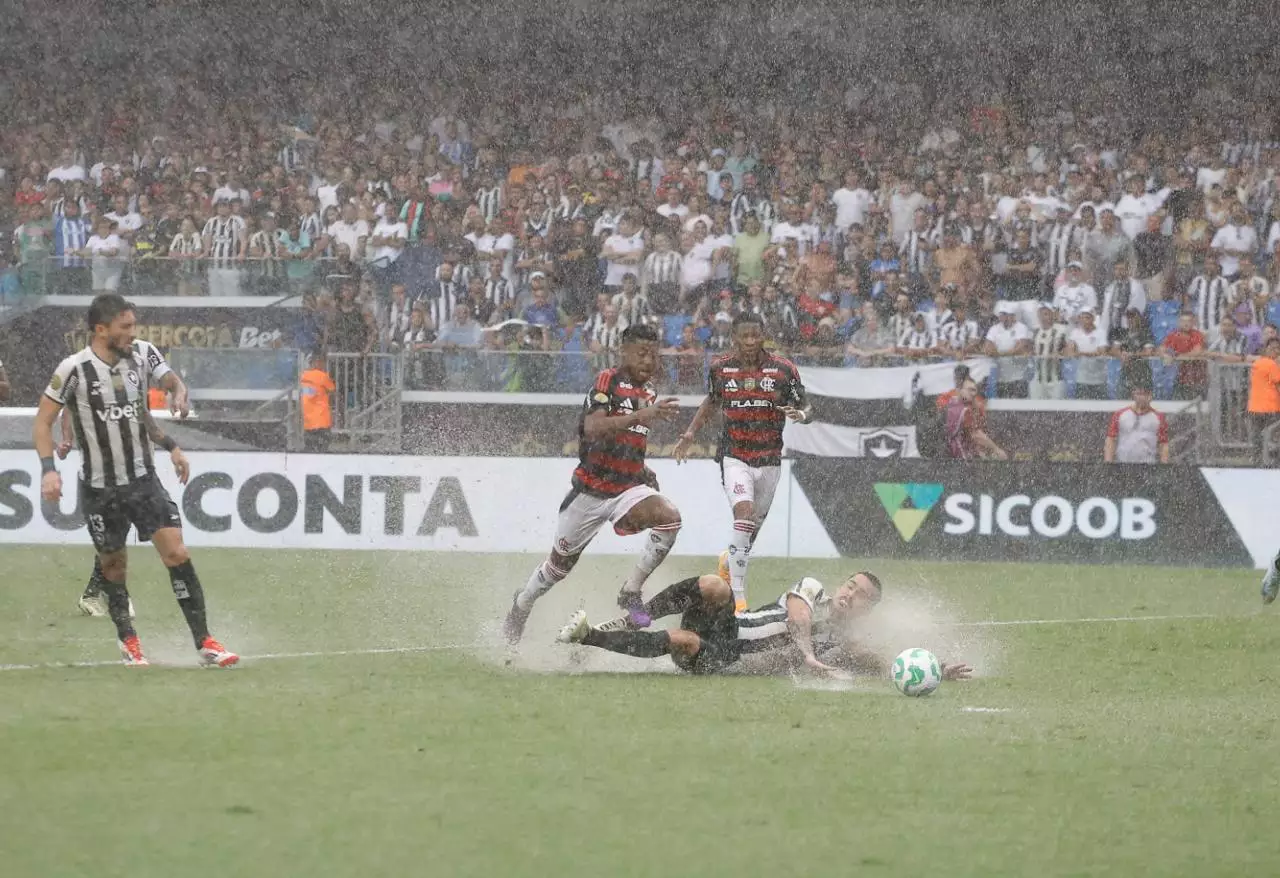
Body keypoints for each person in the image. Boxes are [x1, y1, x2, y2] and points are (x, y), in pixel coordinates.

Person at [34, 294, 237, 667]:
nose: (133, 333)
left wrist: (178, 404)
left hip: (143, 480)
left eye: (133, 325)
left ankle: (205, 640)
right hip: (99, 487)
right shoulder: (74, 369)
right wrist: (49, 469)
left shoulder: (142, 353)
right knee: (114, 566)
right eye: (124, 327)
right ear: (101, 329)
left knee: (176, 552)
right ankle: (129, 640)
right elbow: (43, 420)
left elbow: (164, 391)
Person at [502, 324, 682, 645]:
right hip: (590, 491)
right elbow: (594, 428)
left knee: (670, 517)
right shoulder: (606, 381)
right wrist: (642, 416)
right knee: (557, 570)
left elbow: (628, 439)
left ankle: (631, 591)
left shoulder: (649, 391)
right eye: (641, 353)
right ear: (623, 352)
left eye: (653, 355)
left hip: (626, 488)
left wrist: (642, 469)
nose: (648, 360)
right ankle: (522, 604)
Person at [555, 567, 973, 680]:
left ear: (868, 609)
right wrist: (807, 655)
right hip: (731, 624)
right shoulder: (810, 589)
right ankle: (635, 615)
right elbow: (797, 616)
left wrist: (931, 670)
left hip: (727, 658)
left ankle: (589, 636)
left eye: (861, 595)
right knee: (714, 585)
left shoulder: (844, 644)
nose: (849, 594)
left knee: (683, 640)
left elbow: (879, 662)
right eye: (850, 585)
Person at [672, 312, 812, 613]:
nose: (749, 342)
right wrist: (689, 433)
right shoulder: (721, 368)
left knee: (751, 529)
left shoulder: (783, 369)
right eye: (744, 336)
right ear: (734, 337)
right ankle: (737, 597)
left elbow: (807, 406)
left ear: (763, 335)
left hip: (770, 458)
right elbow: (711, 400)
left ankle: (728, 561)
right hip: (735, 456)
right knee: (744, 515)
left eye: (754, 335)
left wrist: (801, 415)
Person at [1104, 383, 1169, 463]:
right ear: (1133, 395)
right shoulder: (1120, 414)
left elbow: (1163, 444)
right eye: (1139, 394)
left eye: (1145, 394)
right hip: (1123, 465)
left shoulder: (1158, 417)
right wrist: (1108, 462)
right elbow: (1111, 439)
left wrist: (1165, 465)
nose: (1142, 397)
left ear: (1150, 396)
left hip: (1148, 466)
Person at [945, 376, 1008, 459]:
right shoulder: (965, 411)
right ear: (960, 390)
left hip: (948, 454)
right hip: (960, 457)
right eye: (968, 389)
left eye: (973, 390)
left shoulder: (953, 402)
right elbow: (976, 435)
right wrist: (996, 449)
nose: (971, 393)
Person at [300, 352, 336, 452]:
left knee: (310, 447)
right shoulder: (322, 376)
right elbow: (332, 390)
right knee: (323, 447)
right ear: (318, 362)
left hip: (308, 419)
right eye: (322, 362)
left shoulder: (304, 376)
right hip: (321, 418)